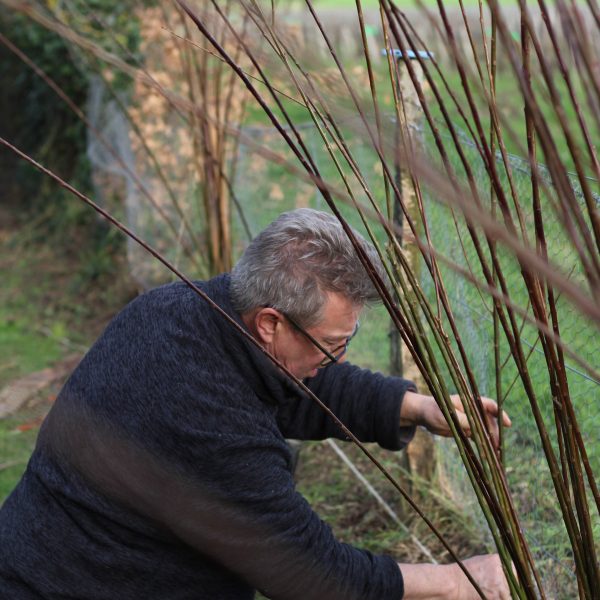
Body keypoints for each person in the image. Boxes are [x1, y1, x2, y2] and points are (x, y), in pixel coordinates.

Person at [0, 208, 511, 599]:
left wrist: (417, 407)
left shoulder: (181, 310)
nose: (337, 359)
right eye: (332, 344)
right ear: (270, 323)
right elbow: (308, 573)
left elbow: (291, 381)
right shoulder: (207, 415)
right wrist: (457, 582)